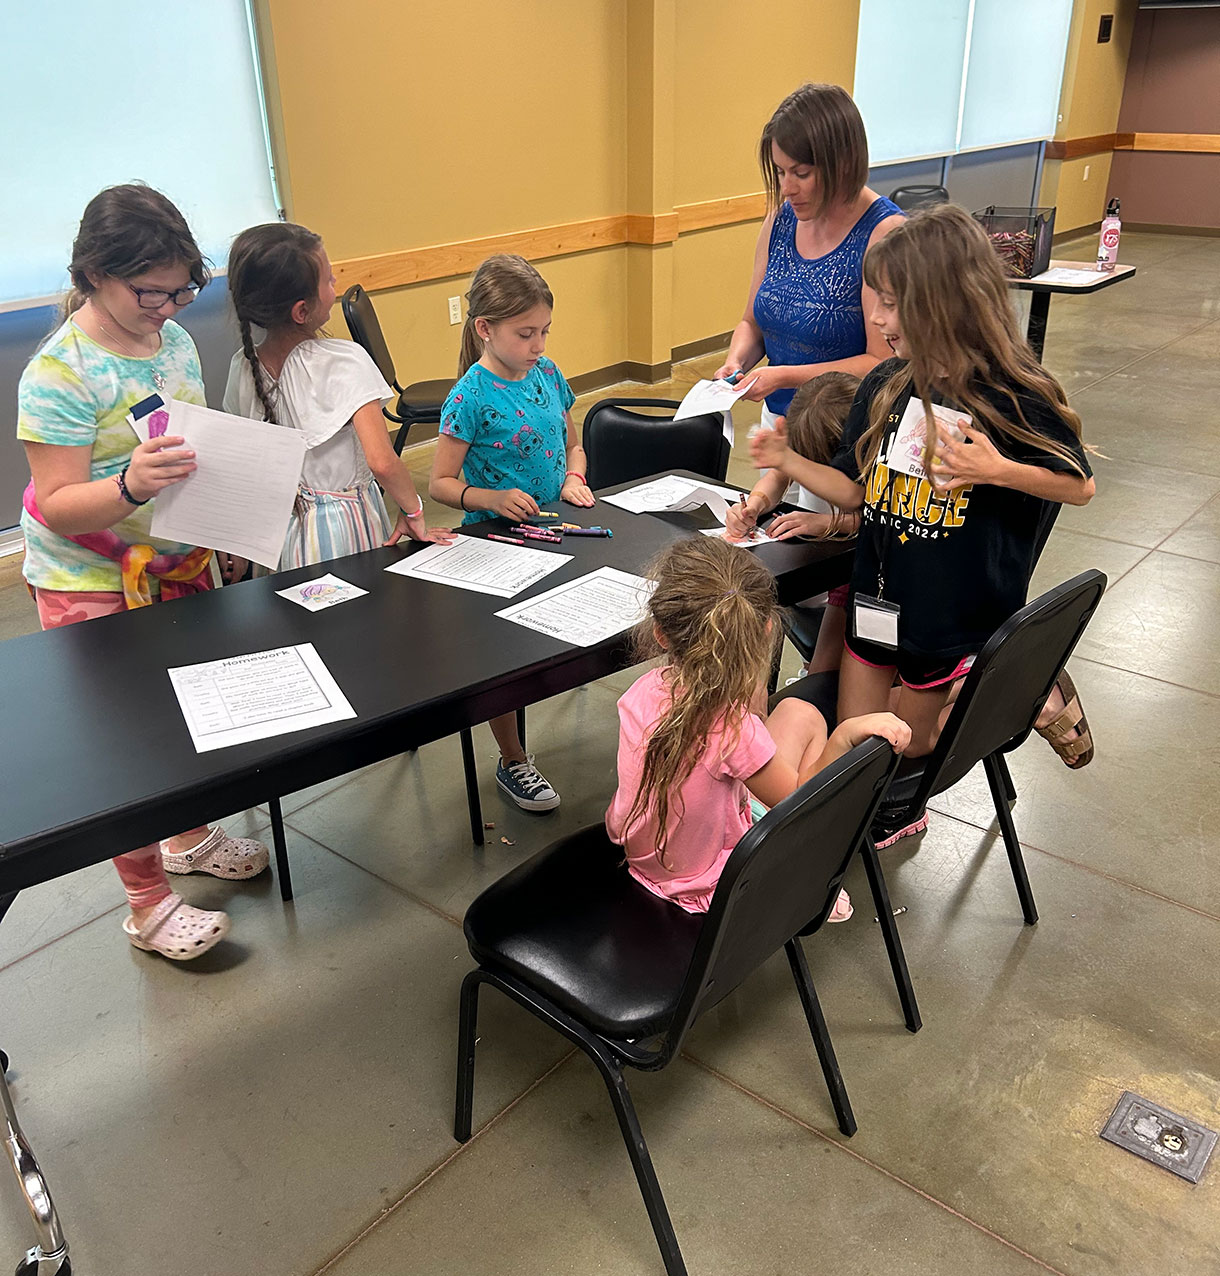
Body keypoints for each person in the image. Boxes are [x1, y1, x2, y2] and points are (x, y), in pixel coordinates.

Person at [751, 203, 1096, 844]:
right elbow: (856, 493)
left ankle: (1021, 690)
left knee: (911, 745)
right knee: (865, 743)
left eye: (890, 303)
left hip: (945, 621)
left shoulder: (1013, 396)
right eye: (874, 299)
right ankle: (873, 814)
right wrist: (788, 461)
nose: (876, 319)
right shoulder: (886, 385)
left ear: (945, 304)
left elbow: (1079, 484)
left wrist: (996, 469)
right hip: (876, 604)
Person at [16, 184, 269, 961]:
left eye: (182, 289)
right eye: (147, 291)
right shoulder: (59, 374)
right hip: (90, 577)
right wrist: (129, 484)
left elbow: (194, 447)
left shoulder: (173, 341)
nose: (167, 306)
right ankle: (146, 902)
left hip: (175, 556)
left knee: (183, 718)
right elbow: (56, 503)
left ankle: (185, 837)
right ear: (93, 273)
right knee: (123, 740)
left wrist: (227, 527)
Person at [606, 536, 910, 917]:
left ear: (661, 634)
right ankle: (809, 865)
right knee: (811, 750)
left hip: (646, 856)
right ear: (767, 630)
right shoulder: (734, 731)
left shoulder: (641, 693)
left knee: (799, 711)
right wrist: (844, 735)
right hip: (708, 880)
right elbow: (801, 794)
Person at [429, 253, 594, 813]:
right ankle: (512, 757)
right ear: (485, 329)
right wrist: (491, 499)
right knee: (505, 658)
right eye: (526, 334)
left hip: (556, 527)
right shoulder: (469, 397)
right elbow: (440, 484)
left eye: (545, 331)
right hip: (495, 541)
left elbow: (573, 441)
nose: (540, 346)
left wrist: (574, 474)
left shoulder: (547, 374)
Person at [223, 221, 453, 574]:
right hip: (344, 530)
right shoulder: (344, 361)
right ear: (301, 310)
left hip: (281, 533)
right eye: (329, 281)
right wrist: (414, 512)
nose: (336, 287)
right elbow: (382, 461)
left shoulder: (242, 366)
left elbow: (244, 468)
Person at [714, 82, 904, 429]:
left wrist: (785, 376)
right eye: (781, 172)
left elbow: (882, 362)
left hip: (844, 427)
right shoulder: (782, 219)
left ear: (842, 165)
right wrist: (736, 361)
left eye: (802, 174)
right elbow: (751, 322)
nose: (787, 187)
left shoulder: (883, 233)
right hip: (780, 419)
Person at [726, 371, 861, 675]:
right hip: (818, 578)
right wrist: (756, 502)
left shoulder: (870, 460)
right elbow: (779, 475)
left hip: (852, 580)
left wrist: (827, 523)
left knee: (830, 665)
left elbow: (875, 514)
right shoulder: (806, 441)